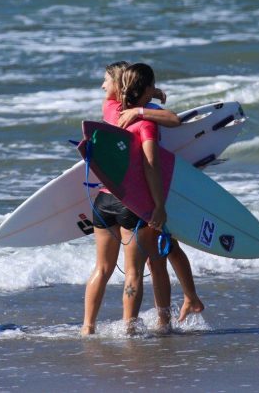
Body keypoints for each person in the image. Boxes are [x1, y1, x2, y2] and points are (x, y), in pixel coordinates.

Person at [81, 62, 201, 336]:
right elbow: (151, 166)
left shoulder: (110, 110)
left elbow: (114, 92)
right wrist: (159, 206)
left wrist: (151, 93)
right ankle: (130, 330)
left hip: (104, 201)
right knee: (135, 271)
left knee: (102, 267)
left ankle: (87, 327)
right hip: (132, 205)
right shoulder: (145, 124)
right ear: (144, 89)